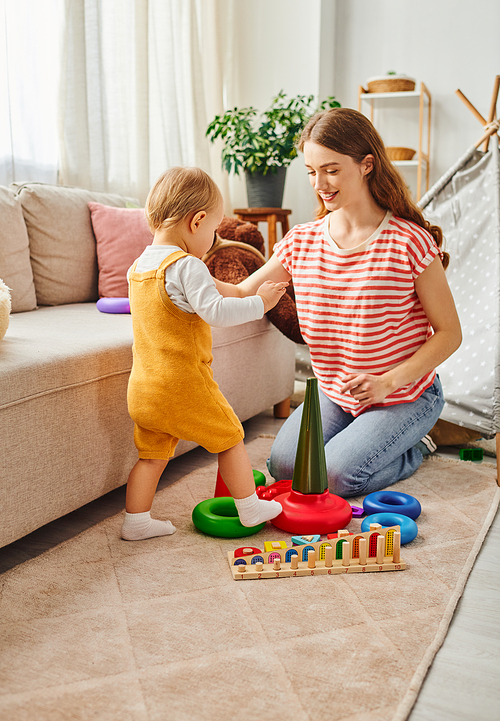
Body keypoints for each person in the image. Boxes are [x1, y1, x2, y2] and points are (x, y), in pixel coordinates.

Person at [222, 107, 462, 497]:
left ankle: (415, 448)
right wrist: (173, 278)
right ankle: (366, 440)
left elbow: (450, 334)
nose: (320, 183)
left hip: (404, 394)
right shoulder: (302, 241)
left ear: (367, 165)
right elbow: (241, 291)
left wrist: (387, 382)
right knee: (284, 467)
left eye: (331, 170)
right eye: (312, 171)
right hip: (337, 393)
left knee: (334, 478)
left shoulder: (408, 242)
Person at [121, 166, 286, 541]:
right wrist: (260, 305)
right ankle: (248, 506)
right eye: (213, 231)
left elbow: (221, 291)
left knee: (152, 455)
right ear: (196, 221)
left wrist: (249, 292)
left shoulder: (140, 266)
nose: (212, 240)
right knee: (230, 436)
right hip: (183, 383)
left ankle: (137, 521)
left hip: (145, 387)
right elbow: (215, 311)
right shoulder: (187, 265)